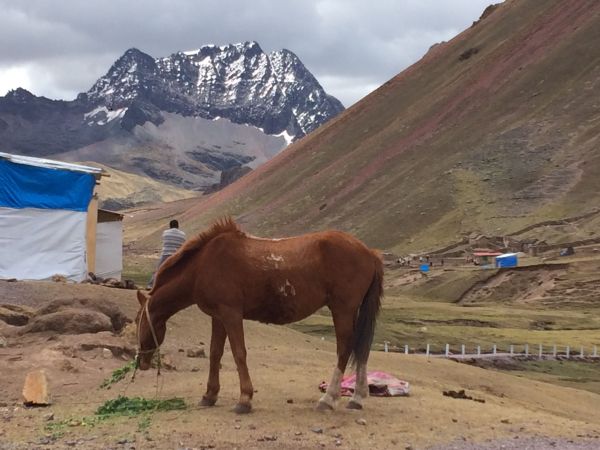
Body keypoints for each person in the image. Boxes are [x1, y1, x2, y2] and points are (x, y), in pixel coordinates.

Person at [147, 219, 186, 289]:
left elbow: (164, 240)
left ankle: (151, 285)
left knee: (159, 270)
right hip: (176, 255)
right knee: (177, 272)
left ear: (170, 226)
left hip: (166, 254)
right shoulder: (183, 234)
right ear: (178, 226)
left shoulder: (166, 232)